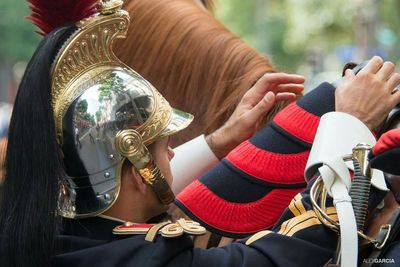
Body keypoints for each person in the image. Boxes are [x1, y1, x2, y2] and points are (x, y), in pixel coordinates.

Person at [1, 2, 400, 267]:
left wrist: (220, 140)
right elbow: (280, 256)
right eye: (164, 144)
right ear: (137, 167)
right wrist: (350, 124)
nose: (172, 153)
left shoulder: (58, 229)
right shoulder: (144, 258)